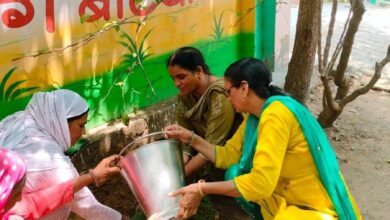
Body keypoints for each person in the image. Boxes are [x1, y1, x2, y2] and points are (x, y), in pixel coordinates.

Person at [165, 58, 362, 219]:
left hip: (310, 206)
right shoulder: (254, 117)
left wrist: (201, 189)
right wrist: (190, 138)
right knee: (235, 172)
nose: (226, 98)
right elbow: (228, 155)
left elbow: (261, 183)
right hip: (285, 195)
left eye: (228, 91)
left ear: (243, 87)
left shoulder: (276, 114)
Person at [0, 89, 124, 220]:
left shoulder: (20, 119)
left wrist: (93, 176)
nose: (84, 132)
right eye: (81, 125)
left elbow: (34, 203)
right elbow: (88, 207)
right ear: (61, 123)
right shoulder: (50, 161)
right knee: (67, 206)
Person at [167, 47, 242, 177]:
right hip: (205, 152)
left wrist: (178, 177)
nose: (176, 84)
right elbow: (185, 137)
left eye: (181, 77)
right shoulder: (185, 96)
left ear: (198, 71)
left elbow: (212, 145)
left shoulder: (220, 95)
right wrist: (181, 163)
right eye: (173, 78)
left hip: (229, 157)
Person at [0, 148, 121, 219]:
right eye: (16, 194)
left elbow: (34, 203)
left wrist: (92, 176)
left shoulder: (7, 210)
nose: (21, 198)